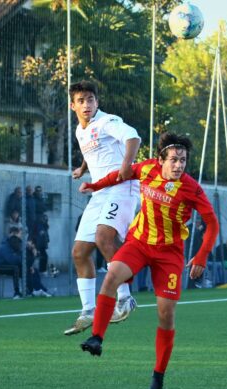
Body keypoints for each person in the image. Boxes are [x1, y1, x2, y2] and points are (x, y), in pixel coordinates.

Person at [79, 133, 219, 389]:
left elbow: (212, 223)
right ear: (161, 160)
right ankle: (97, 337)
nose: (179, 165)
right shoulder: (146, 169)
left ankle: (158, 375)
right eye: (174, 160)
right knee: (111, 277)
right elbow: (121, 175)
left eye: (183, 161)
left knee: (166, 314)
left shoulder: (192, 188)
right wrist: (95, 186)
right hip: (140, 243)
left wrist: (201, 256)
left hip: (170, 254)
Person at [66, 80, 141, 335]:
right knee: (79, 252)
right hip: (99, 192)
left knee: (103, 238)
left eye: (90, 99)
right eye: (81, 100)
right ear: (72, 105)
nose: (86, 104)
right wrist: (82, 168)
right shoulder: (80, 130)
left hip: (122, 188)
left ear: (97, 102)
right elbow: (91, 150)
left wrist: (126, 165)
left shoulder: (108, 122)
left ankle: (124, 298)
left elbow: (133, 137)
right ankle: (88, 311)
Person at [0, 227, 51, 299]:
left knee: (31, 270)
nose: (21, 236)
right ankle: (17, 293)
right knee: (16, 269)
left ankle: (33, 291)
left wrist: (32, 254)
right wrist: (25, 255)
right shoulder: (5, 246)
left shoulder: (16, 243)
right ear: (14, 234)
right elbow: (13, 260)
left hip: (9, 265)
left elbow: (22, 259)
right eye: (20, 234)